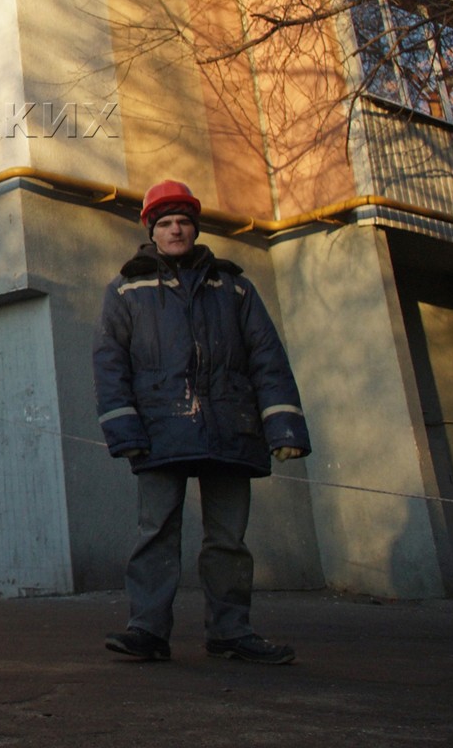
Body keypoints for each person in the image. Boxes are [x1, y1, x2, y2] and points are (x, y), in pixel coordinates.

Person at [93, 179, 311, 666]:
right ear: (152, 230)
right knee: (156, 533)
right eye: (165, 223)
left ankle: (231, 632)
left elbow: (267, 360)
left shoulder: (234, 287)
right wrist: (124, 432)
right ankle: (146, 631)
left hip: (231, 428)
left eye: (183, 222)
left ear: (195, 228)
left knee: (229, 539)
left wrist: (284, 429)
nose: (175, 231)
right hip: (158, 431)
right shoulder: (127, 289)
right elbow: (110, 365)